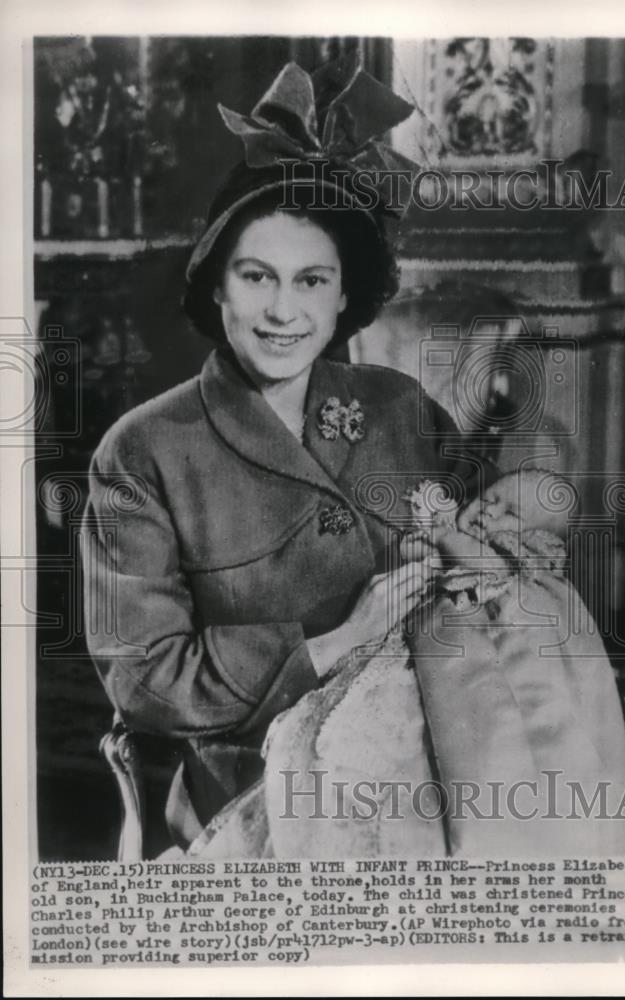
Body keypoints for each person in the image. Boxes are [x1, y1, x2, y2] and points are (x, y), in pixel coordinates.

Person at [81, 57, 477, 849]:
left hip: (437, 805)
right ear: (217, 286)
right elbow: (143, 677)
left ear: (343, 295)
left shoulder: (401, 407)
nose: (282, 312)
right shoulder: (143, 452)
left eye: (311, 282)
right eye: (257, 277)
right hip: (253, 823)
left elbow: (486, 548)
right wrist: (331, 646)